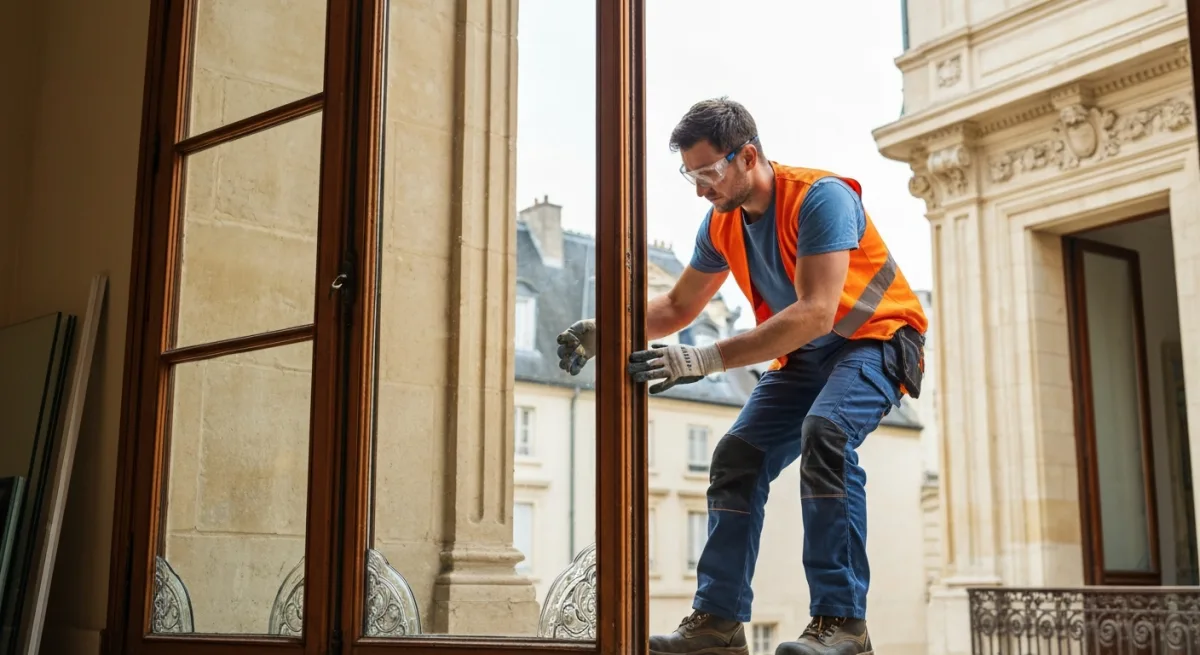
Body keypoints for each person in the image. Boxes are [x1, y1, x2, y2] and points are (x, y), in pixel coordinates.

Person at [555, 97, 927, 655]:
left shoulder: (821, 198)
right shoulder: (721, 223)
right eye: (691, 174)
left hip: (876, 342)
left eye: (708, 172)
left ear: (747, 156)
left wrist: (704, 360)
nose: (700, 188)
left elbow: (817, 311)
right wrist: (603, 328)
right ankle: (718, 624)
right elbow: (679, 306)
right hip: (804, 359)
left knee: (826, 434)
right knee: (735, 459)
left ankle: (843, 624)